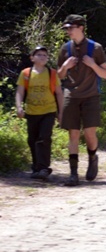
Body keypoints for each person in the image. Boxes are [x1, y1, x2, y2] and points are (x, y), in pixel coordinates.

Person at [57, 14, 106, 186]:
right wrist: (65, 66)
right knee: (73, 134)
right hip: (71, 95)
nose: (68, 31)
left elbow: (105, 74)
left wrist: (93, 64)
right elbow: (59, 76)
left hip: (91, 96)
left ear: (81, 28)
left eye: (71, 28)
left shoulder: (96, 48)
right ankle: (73, 174)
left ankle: (93, 158)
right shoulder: (65, 49)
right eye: (67, 29)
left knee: (89, 133)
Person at [15, 46, 64, 180]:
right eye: (39, 55)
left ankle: (43, 168)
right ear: (32, 58)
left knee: (44, 138)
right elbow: (20, 91)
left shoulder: (52, 73)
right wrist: (19, 107)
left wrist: (61, 112)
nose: (43, 57)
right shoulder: (26, 73)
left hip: (48, 111)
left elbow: (59, 93)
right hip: (31, 112)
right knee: (32, 140)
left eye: (45, 55)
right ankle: (36, 168)